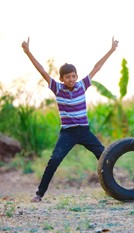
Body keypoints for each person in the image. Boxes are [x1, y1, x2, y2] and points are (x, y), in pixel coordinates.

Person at [21, 37, 119, 202]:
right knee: (54, 160)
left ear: (76, 76)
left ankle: (116, 188)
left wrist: (111, 50)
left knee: (104, 156)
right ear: (62, 79)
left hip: (84, 131)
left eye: (73, 76)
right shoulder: (57, 89)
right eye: (67, 77)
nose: (71, 79)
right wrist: (28, 52)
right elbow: (42, 71)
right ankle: (39, 194)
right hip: (68, 133)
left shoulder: (82, 85)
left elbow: (97, 67)